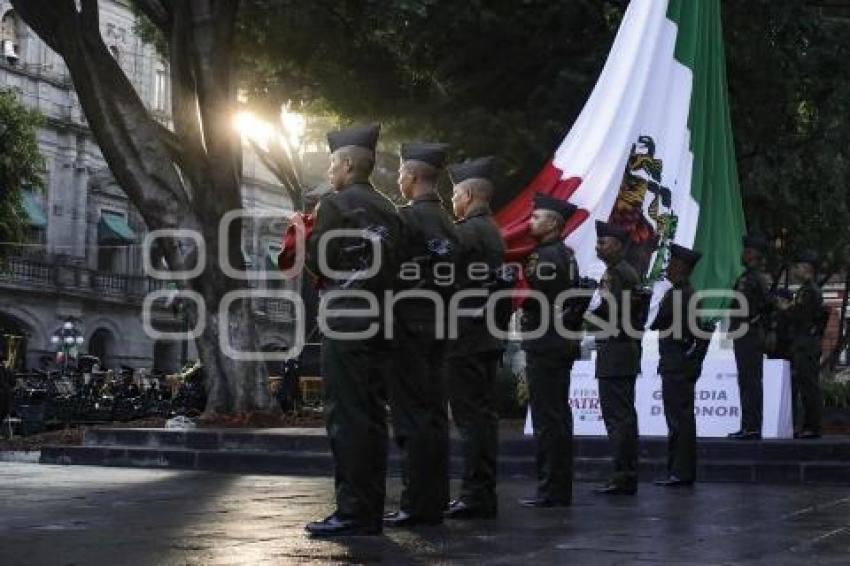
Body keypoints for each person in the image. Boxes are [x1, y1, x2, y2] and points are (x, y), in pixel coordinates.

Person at [304, 123, 403, 537]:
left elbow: (318, 261)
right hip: (380, 320)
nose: (329, 173)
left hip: (346, 321)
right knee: (373, 418)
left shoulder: (335, 205)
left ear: (347, 164)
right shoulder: (389, 210)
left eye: (332, 165)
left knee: (345, 417)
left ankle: (351, 512)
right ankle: (370, 509)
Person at [384, 142, 459, 528]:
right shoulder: (448, 222)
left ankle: (416, 502)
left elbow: (391, 271)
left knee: (412, 416)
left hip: (411, 325)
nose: (399, 180)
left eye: (400, 173)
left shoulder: (407, 220)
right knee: (433, 415)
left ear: (411, 176)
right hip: (442, 324)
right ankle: (435, 498)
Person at [443, 156, 506, 519]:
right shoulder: (491, 229)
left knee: (471, 419)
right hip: (483, 334)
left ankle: (475, 493)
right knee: (482, 417)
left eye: (454, 195)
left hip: (466, 336)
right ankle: (481, 493)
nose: (453, 202)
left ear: (467, 193)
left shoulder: (467, 231)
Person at [518, 194, 581, 508]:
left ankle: (551, 489)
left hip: (545, 341)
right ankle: (558, 488)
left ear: (554, 223)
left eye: (537, 217)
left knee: (547, 419)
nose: (531, 222)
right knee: (558, 417)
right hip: (561, 339)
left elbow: (535, 298)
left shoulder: (543, 256)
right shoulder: (566, 254)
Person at [590, 220, 642, 495]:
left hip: (617, 350)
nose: (599, 247)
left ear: (618, 246)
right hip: (620, 349)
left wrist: (587, 313)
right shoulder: (620, 271)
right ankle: (625, 473)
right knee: (622, 416)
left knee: (618, 417)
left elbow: (616, 312)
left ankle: (623, 475)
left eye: (603, 242)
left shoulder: (618, 273)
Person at [651, 244, 703, 487]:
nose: (668, 267)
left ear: (681, 267)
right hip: (679, 361)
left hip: (676, 362)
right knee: (681, 418)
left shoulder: (680, 294)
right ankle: (680, 471)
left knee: (678, 420)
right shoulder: (686, 293)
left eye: (672, 262)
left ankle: (680, 472)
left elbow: (658, 322)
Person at [728, 234, 771, 440]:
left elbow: (767, 307)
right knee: (746, 381)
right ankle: (748, 425)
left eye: (748, 251)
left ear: (756, 254)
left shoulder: (756, 279)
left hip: (750, 334)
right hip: (743, 333)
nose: (744, 254)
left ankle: (752, 427)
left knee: (751, 381)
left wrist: (756, 323)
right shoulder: (747, 277)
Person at [779, 249, 825, 439]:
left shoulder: (809, 291)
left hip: (806, 344)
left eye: (797, 266)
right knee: (806, 386)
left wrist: (784, 308)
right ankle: (809, 425)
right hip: (803, 343)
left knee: (809, 386)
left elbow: (798, 315)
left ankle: (812, 427)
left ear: (807, 268)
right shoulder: (807, 289)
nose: (794, 270)